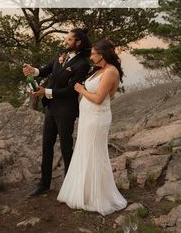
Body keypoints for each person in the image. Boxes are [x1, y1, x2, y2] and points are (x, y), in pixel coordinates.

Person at [57, 39, 127, 216]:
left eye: (94, 53)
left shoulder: (110, 72)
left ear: (102, 55)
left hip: (97, 118)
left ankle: (98, 196)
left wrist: (80, 89)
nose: (92, 56)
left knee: (94, 153)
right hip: (88, 117)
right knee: (84, 151)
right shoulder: (100, 70)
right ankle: (84, 191)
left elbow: (98, 99)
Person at [23, 28, 91, 198]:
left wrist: (45, 91)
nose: (65, 42)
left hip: (66, 111)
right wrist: (34, 70)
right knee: (47, 144)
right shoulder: (62, 53)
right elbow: (47, 69)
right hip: (52, 108)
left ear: (78, 43)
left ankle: (70, 186)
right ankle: (44, 184)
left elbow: (71, 91)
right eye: (66, 39)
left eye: (69, 40)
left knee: (66, 147)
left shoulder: (83, 64)